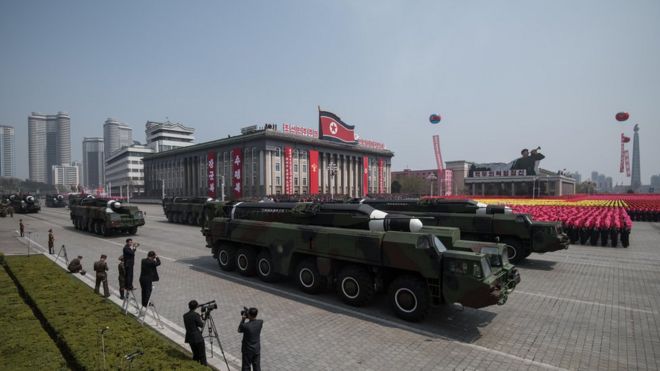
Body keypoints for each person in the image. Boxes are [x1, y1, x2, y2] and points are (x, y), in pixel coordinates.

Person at [183, 300, 207, 365]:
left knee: (195, 355)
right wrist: (201, 316)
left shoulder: (185, 315)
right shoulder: (196, 315)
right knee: (202, 356)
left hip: (190, 338)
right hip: (198, 338)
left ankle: (195, 366)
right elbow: (201, 325)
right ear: (196, 307)